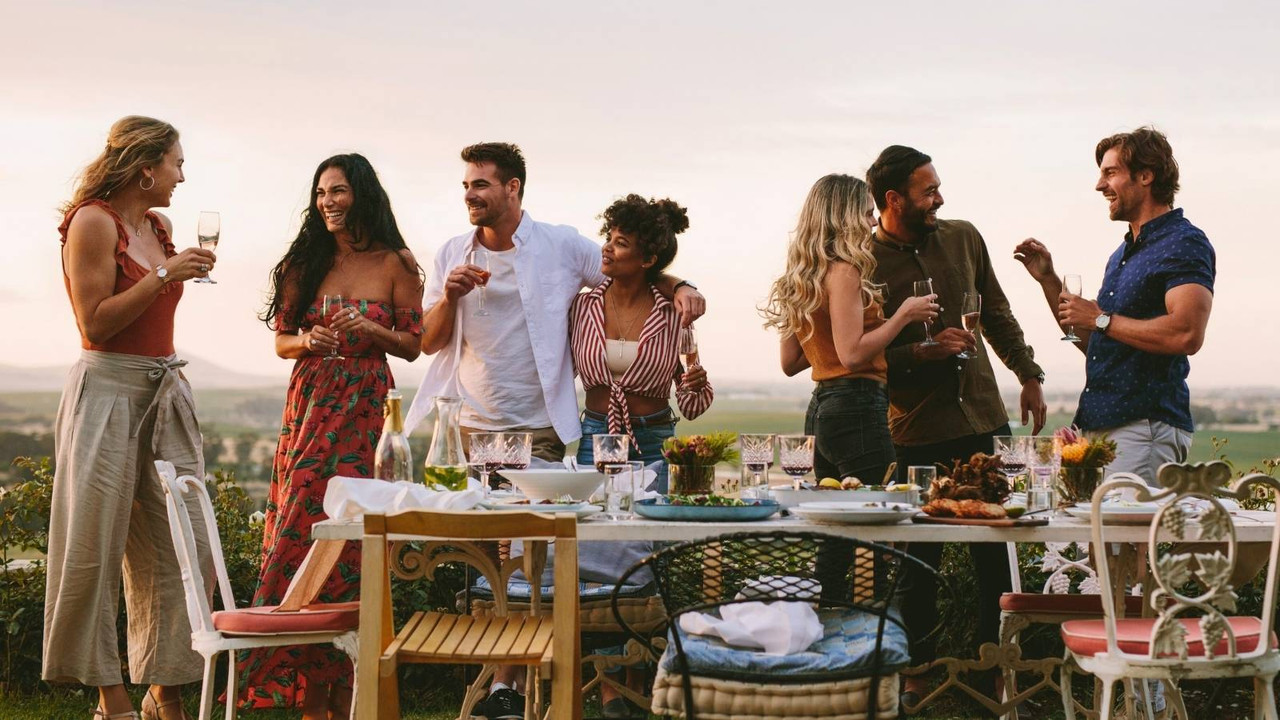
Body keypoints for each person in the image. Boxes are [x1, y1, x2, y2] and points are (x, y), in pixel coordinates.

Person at [405, 143, 705, 720]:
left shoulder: (562, 245)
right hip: (468, 425)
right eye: (466, 185)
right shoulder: (450, 253)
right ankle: (504, 687)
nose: (470, 194)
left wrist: (682, 284)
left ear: (513, 188)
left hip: (538, 428)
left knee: (527, 560)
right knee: (484, 563)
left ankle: (519, 687)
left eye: (482, 184)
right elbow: (428, 341)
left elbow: (632, 269)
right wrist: (450, 295)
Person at [45, 115, 217, 720]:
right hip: (108, 390)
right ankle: (109, 697)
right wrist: (167, 274)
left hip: (164, 390)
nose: (181, 174)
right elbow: (96, 322)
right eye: (175, 162)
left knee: (183, 546)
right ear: (147, 168)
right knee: (94, 544)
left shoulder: (161, 225)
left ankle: (164, 688)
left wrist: (170, 268)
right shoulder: (92, 222)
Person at [865, 145, 1047, 709]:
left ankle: (991, 669)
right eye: (928, 190)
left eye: (938, 187)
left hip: (985, 420)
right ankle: (919, 671)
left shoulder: (964, 237)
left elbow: (996, 312)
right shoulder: (863, 263)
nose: (939, 198)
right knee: (920, 559)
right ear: (894, 199)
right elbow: (862, 359)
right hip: (917, 430)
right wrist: (924, 351)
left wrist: (1029, 373)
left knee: (997, 551)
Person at [248, 153, 423, 719]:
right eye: (321, 192)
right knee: (302, 530)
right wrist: (310, 342)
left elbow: (413, 343)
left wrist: (371, 329)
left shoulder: (396, 263)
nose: (327, 201)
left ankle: (349, 695)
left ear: (363, 194)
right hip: (312, 406)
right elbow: (282, 342)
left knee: (354, 540)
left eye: (339, 191)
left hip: (367, 409)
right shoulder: (306, 261)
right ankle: (298, 687)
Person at [569, 194, 713, 718]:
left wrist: (696, 381)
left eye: (621, 242)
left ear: (649, 258)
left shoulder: (671, 311)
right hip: (593, 440)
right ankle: (609, 684)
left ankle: (641, 674)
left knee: (649, 558)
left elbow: (693, 404)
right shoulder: (583, 303)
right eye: (609, 237)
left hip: (653, 439)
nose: (607, 248)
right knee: (596, 557)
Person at [1013, 126, 1211, 485]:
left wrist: (1101, 318)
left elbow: (1187, 334)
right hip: (1100, 428)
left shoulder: (1184, 242)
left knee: (1127, 540)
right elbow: (1096, 344)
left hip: (1143, 429)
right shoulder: (1121, 254)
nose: (1099, 185)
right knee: (1099, 542)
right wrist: (1048, 279)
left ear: (1146, 176)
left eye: (1110, 173)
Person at [762, 173, 937, 488]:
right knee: (878, 514)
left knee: (834, 521)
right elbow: (852, 355)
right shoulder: (845, 271)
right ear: (844, 217)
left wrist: (830, 339)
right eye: (867, 212)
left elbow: (791, 362)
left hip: (822, 411)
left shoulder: (800, 277)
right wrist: (903, 314)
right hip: (858, 408)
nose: (873, 222)